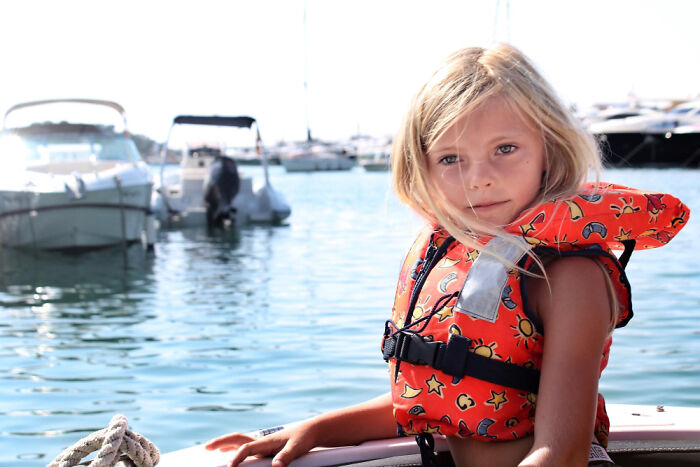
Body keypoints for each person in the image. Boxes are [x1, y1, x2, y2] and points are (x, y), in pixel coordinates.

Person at [205, 44, 690, 467]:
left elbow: (560, 454)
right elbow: (438, 393)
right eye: (451, 158)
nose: (479, 177)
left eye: (505, 148)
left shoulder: (569, 278)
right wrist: (313, 430)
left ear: (549, 147)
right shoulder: (457, 256)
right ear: (423, 166)